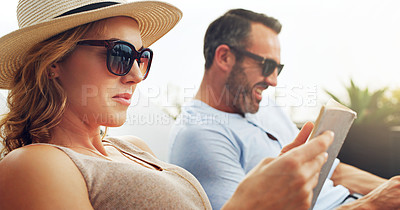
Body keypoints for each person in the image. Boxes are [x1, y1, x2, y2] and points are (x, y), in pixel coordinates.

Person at [0, 0, 339, 209]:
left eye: (142, 57)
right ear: (53, 63)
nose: (136, 75)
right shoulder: (32, 165)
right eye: (119, 55)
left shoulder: (134, 148)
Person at [168, 8, 400, 210]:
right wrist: (371, 205)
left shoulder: (266, 106)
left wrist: (390, 190)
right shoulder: (199, 135)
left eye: (277, 69)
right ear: (225, 57)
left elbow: (334, 173)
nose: (273, 81)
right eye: (267, 65)